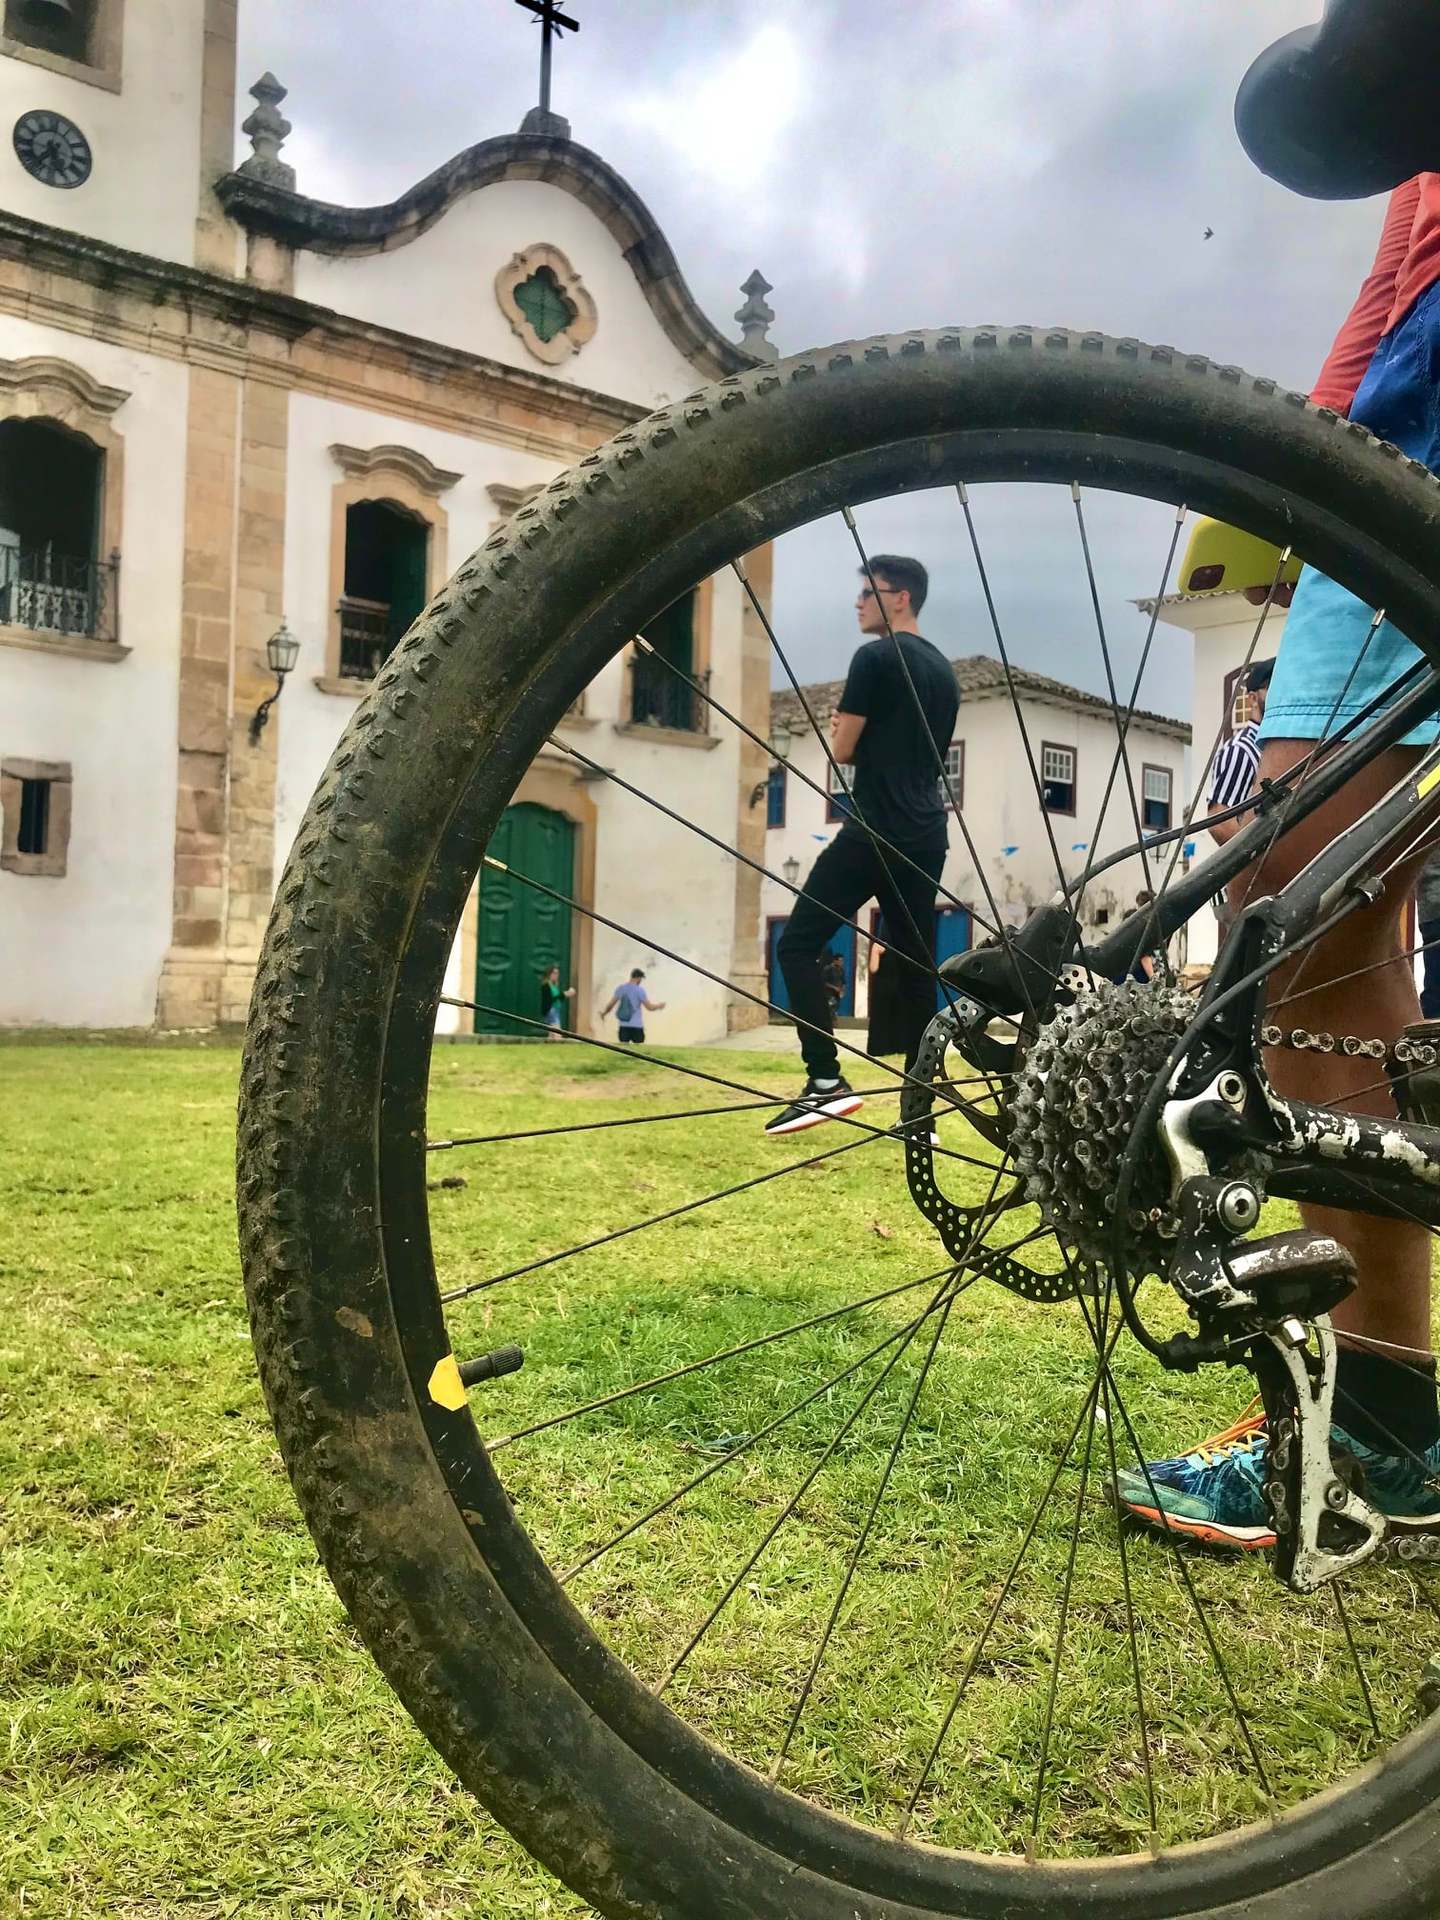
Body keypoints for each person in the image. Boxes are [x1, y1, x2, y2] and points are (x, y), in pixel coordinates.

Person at [1116, 164, 1440, 1548]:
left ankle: (1383, 1424)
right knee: (1305, 900)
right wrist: (1303, 471)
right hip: (1417, 387)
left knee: (1310, 898)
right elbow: (1394, 262)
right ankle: (1388, 1420)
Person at [767, 555, 958, 1137]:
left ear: (899, 598)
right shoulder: (945, 673)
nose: (858, 604)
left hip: (874, 828)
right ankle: (919, 1111)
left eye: (868, 594)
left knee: (797, 946)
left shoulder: (874, 658)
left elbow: (843, 750)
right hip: (927, 832)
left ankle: (824, 1082)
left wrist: (837, 727)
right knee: (918, 966)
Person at [601, 968, 665, 1045]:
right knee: (638, 1052)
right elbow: (649, 1007)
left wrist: (604, 1014)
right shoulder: (640, 990)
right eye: (641, 979)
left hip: (623, 1025)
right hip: (637, 1026)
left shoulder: (621, 988)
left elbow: (610, 1005)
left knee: (624, 1050)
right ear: (638, 978)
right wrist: (659, 1006)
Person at [539, 963, 575, 1041]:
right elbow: (550, 999)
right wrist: (564, 994)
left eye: (557, 973)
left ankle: (550, 1045)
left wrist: (566, 995)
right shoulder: (546, 985)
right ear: (549, 974)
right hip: (551, 1010)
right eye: (554, 973)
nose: (556, 975)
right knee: (557, 1031)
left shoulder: (555, 985)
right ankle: (557, 1042)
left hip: (556, 1009)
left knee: (552, 1032)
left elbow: (558, 998)